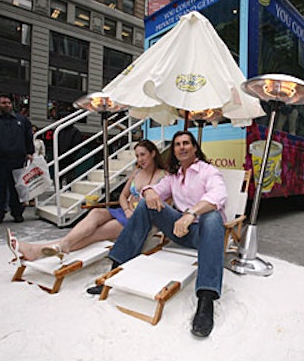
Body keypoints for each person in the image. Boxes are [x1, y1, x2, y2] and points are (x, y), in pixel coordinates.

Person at [87, 131, 227, 338]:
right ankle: (115, 270)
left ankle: (206, 301)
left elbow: (218, 195)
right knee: (146, 204)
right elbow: (155, 190)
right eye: (177, 144)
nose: (182, 147)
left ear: (195, 147)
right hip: (179, 230)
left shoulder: (208, 172)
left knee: (213, 216)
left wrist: (190, 214)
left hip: (204, 234)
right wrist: (149, 192)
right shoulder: (173, 176)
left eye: (186, 143)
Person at [7, 140, 166, 261]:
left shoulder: (163, 176)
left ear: (153, 153)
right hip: (125, 212)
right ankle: (63, 244)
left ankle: (39, 250)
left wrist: (135, 214)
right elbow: (123, 196)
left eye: (143, 155)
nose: (140, 159)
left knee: (96, 233)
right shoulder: (136, 172)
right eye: (137, 155)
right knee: (96, 212)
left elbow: (165, 205)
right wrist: (126, 210)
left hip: (140, 220)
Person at [0, 93, 34, 224]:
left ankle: (17, 213)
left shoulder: (22, 120)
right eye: (3, 103)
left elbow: (28, 137)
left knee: (17, 188)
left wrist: (29, 152)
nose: (7, 105)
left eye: (8, 103)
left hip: (17, 159)